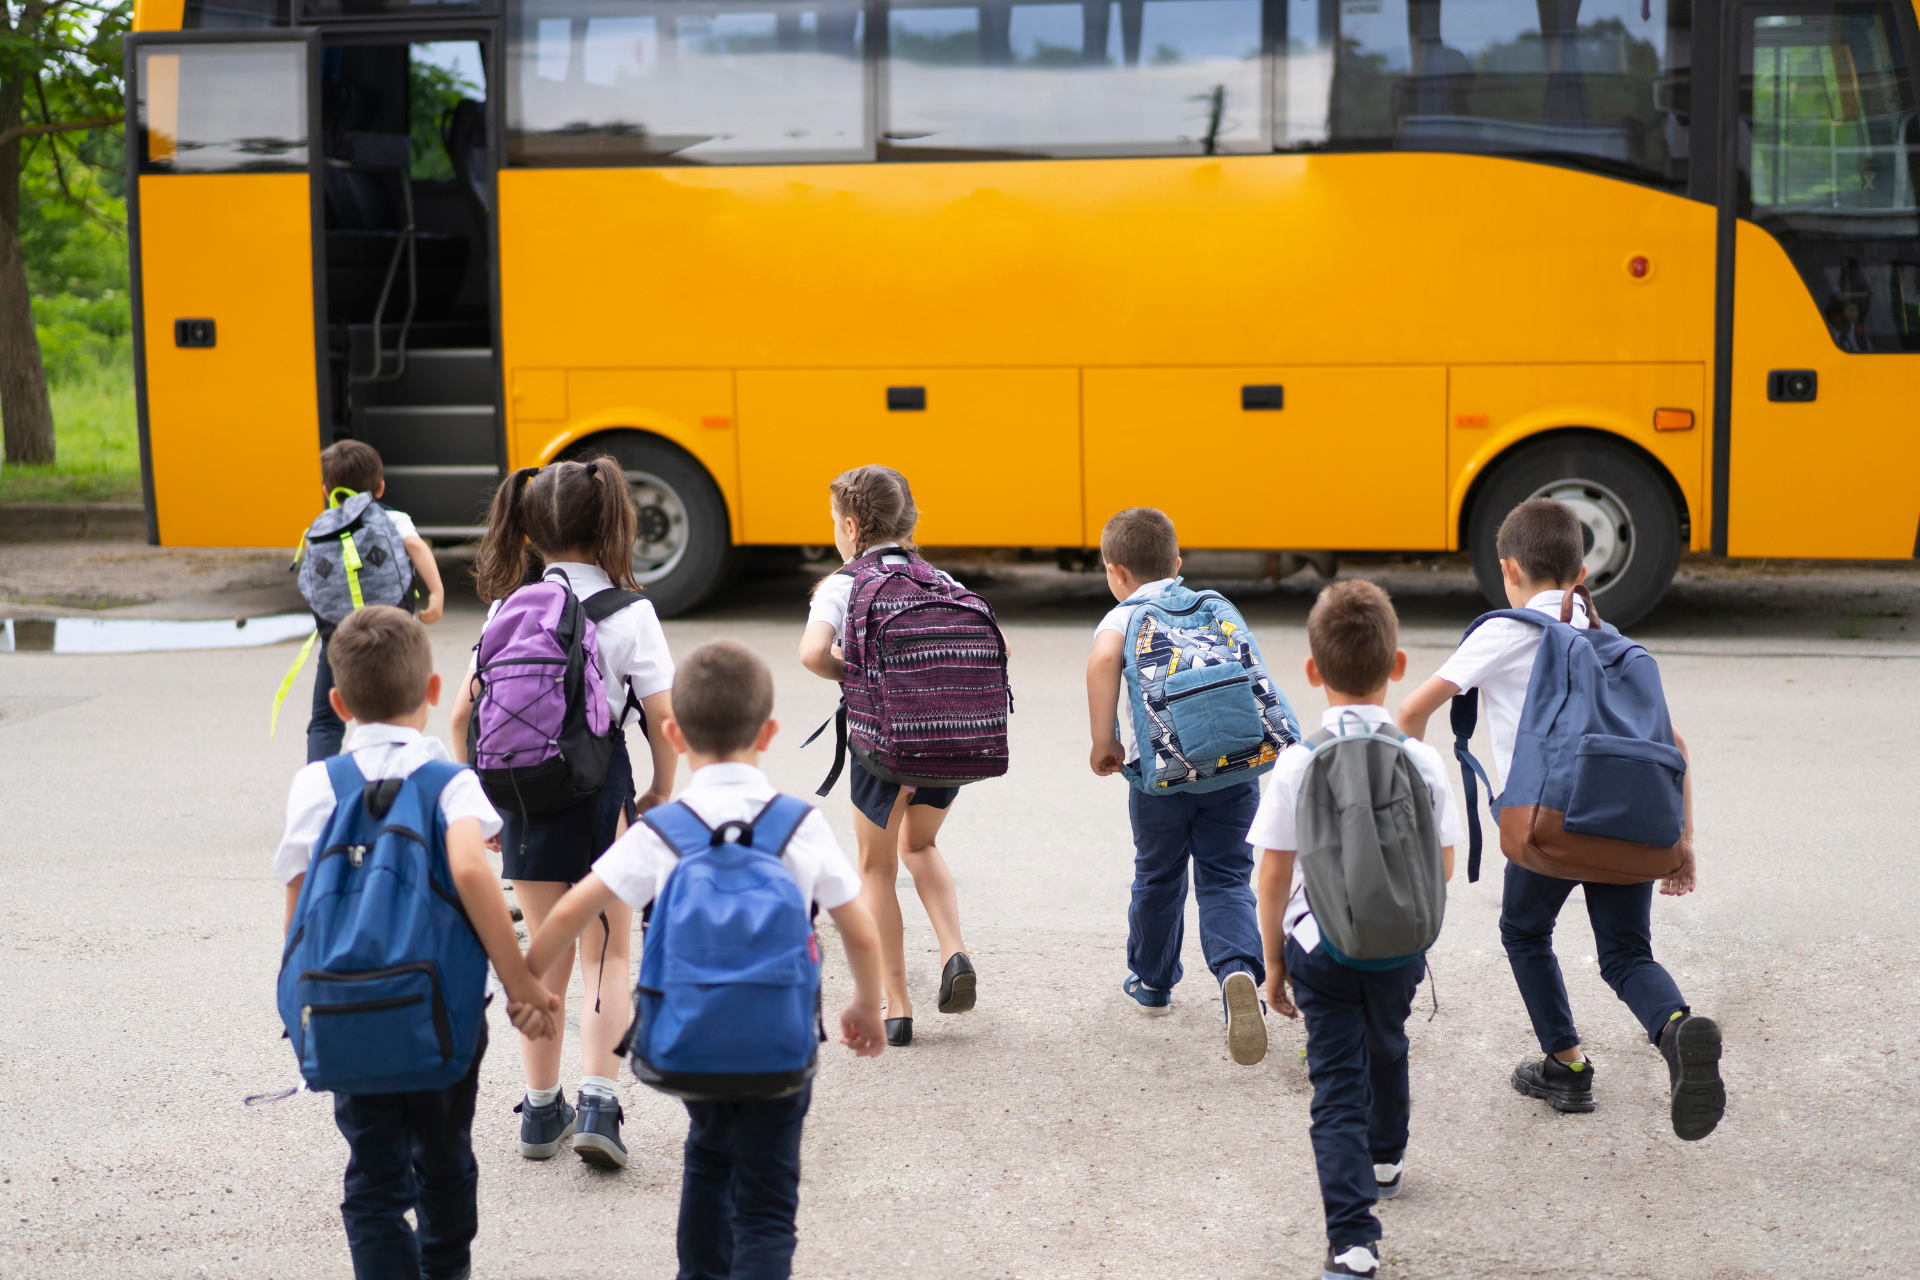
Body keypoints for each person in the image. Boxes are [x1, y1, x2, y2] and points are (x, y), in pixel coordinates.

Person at [526, 640, 886, 1280]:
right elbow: (858, 928)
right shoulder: (797, 823)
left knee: (709, 1158)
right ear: (769, 732)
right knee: (768, 1203)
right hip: (780, 1044)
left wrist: (531, 986)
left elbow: (571, 911)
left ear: (673, 732)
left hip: (690, 1043)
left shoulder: (663, 831)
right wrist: (864, 1004)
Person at [1397, 497, 1724, 1140]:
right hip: (1632, 827)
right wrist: (1683, 841)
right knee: (1626, 953)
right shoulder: (1611, 641)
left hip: (1549, 825)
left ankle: (1567, 1066)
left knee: (1524, 931)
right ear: (1581, 573)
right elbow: (1676, 750)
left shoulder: (1504, 630)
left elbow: (1412, 712)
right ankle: (1678, 1030)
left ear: (1508, 569)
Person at [272, 605, 560, 1280]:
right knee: (445, 1154)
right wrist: (520, 983)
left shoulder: (317, 783)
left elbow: (296, 899)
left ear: (339, 703)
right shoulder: (448, 783)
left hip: (344, 1010)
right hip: (441, 1013)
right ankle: (444, 1267)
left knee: (372, 1182)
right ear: (433, 692)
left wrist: (296, 999)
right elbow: (468, 868)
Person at [450, 457, 680, 1170]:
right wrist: (657, 794)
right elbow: (663, 720)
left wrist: (485, 802)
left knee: (540, 961)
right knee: (606, 952)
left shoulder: (504, 609)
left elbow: (462, 715)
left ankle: (540, 1109)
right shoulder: (630, 612)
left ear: (527, 529)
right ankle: (600, 1106)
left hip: (522, 797)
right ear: (610, 521)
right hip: (596, 793)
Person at [1249, 581, 1460, 1280]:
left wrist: (1274, 964)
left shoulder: (1297, 763)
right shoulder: (1423, 762)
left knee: (1336, 1087)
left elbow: (1273, 875)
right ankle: (1388, 1156)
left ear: (1313, 672)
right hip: (1401, 946)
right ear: (1397, 666)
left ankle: (1353, 1243)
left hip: (1321, 947)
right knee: (1388, 1041)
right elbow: (1445, 864)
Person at [797, 465, 977, 1047]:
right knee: (921, 844)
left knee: (877, 867)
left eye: (834, 524)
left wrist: (859, 679)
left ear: (850, 524)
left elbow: (811, 654)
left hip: (884, 745)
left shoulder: (842, 584)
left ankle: (897, 1005)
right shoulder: (939, 578)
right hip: (947, 740)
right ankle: (955, 951)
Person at [1087, 507, 1270, 1063]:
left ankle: (1153, 983)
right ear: (1178, 563)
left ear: (1116, 572)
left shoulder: (1123, 616)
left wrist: (1106, 742)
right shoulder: (1213, 606)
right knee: (1225, 878)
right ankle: (1237, 969)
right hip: (1234, 770)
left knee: (1159, 876)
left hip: (1159, 778)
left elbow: (1101, 664)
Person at [306, 440, 447, 763]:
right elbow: (417, 546)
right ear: (380, 488)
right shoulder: (394, 518)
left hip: (339, 637)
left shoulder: (322, 528)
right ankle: (401, 775)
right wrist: (436, 593)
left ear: (327, 491)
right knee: (401, 711)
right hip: (393, 633)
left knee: (325, 721)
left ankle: (320, 788)